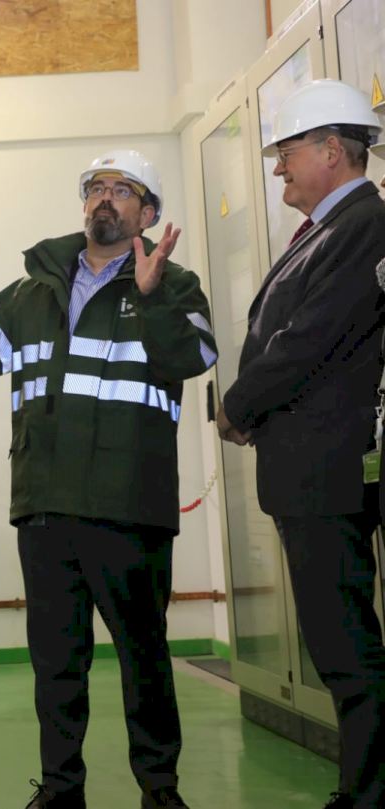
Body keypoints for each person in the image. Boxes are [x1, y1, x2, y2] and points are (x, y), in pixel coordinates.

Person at [0, 150, 216, 809]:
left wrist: (153, 297)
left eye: (122, 190)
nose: (105, 198)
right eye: (96, 187)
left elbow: (192, 355)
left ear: (148, 214)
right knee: (56, 665)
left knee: (144, 658)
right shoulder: (33, 292)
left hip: (130, 507)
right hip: (45, 507)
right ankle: (61, 787)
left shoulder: (174, 284)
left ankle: (159, 788)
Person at [217, 79, 385, 809]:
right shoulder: (331, 228)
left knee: (345, 645)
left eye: (287, 152)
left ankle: (367, 792)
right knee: (340, 641)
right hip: (314, 464)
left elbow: (306, 339)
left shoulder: (362, 224)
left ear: (331, 150)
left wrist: (237, 404)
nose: (279, 167)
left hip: (328, 467)